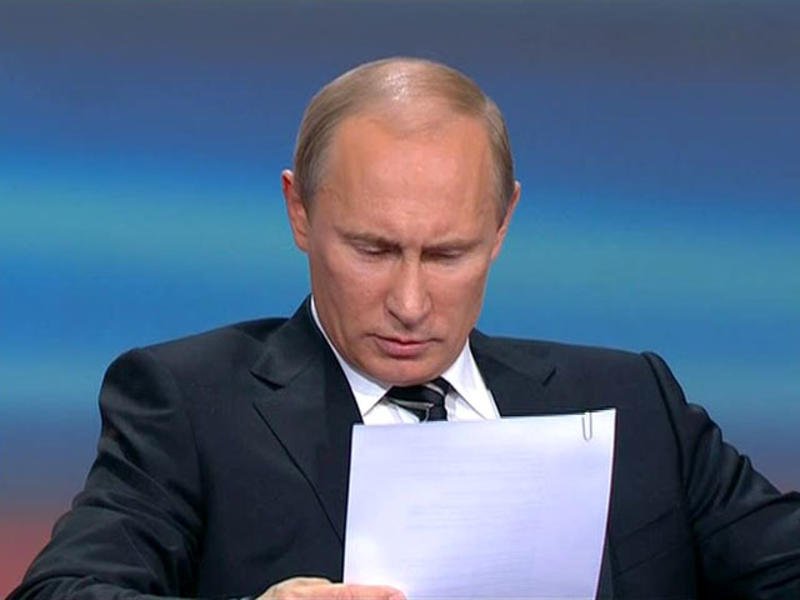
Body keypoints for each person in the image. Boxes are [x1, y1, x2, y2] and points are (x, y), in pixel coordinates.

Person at [10, 57, 800, 600]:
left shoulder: (634, 400)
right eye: (373, 250)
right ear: (299, 211)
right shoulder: (190, 405)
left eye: (449, 254)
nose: (412, 302)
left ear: (503, 223)